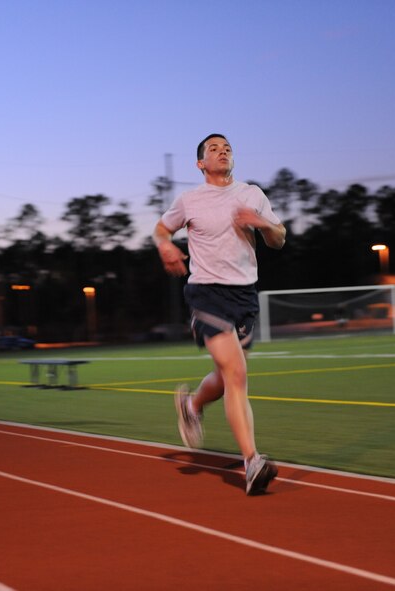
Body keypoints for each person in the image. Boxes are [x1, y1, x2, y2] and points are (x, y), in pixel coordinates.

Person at [153, 133, 287, 496]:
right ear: (201, 163)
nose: (222, 151)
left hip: (244, 294)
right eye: (213, 149)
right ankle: (252, 462)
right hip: (205, 292)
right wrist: (166, 246)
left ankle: (191, 404)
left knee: (226, 374)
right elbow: (162, 228)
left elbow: (279, 238)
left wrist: (264, 225)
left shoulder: (252, 195)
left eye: (226, 147)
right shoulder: (189, 200)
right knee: (237, 373)